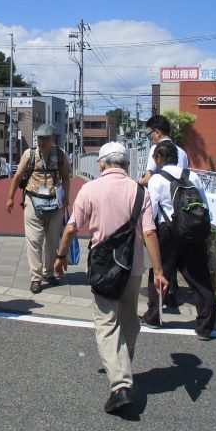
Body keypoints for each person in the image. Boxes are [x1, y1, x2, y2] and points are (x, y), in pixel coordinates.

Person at [54, 142, 167, 415]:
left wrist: (60, 257)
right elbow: (150, 233)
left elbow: (71, 228)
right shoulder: (139, 191)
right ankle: (122, 367)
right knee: (129, 321)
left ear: (102, 164)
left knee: (106, 324)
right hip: (133, 268)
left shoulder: (90, 189)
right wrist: (159, 272)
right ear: (126, 165)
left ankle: (120, 385)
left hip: (104, 267)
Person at [141, 142, 216, 339]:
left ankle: (154, 316)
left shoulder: (157, 179)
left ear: (159, 158)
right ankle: (205, 326)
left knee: (160, 273)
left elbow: (153, 210)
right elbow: (204, 205)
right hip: (193, 229)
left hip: (167, 231)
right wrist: (206, 233)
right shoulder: (192, 176)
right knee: (199, 277)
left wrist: (148, 236)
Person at [7, 123, 72, 294]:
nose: (42, 142)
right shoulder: (29, 154)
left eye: (45, 138)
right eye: (39, 138)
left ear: (52, 139)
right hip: (32, 200)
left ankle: (48, 273)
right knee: (34, 240)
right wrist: (10, 198)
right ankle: (35, 278)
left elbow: (66, 176)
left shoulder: (60, 154)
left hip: (54, 201)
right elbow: (18, 176)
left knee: (52, 241)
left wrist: (66, 196)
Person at [139, 114, 189, 308]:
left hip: (163, 213)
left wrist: (135, 182)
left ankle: (159, 301)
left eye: (150, 133)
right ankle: (172, 292)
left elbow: (148, 178)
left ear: (157, 132)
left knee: (161, 258)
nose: (149, 137)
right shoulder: (182, 152)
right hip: (181, 212)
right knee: (176, 258)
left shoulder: (156, 149)